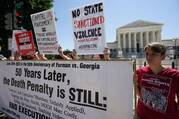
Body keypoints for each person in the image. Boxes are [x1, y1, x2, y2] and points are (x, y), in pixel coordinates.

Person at [134, 42, 179, 119]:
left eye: (154, 54)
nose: (149, 57)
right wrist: (134, 83)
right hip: (142, 116)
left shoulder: (175, 75)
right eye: (147, 54)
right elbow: (139, 95)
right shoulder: (139, 72)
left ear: (163, 56)